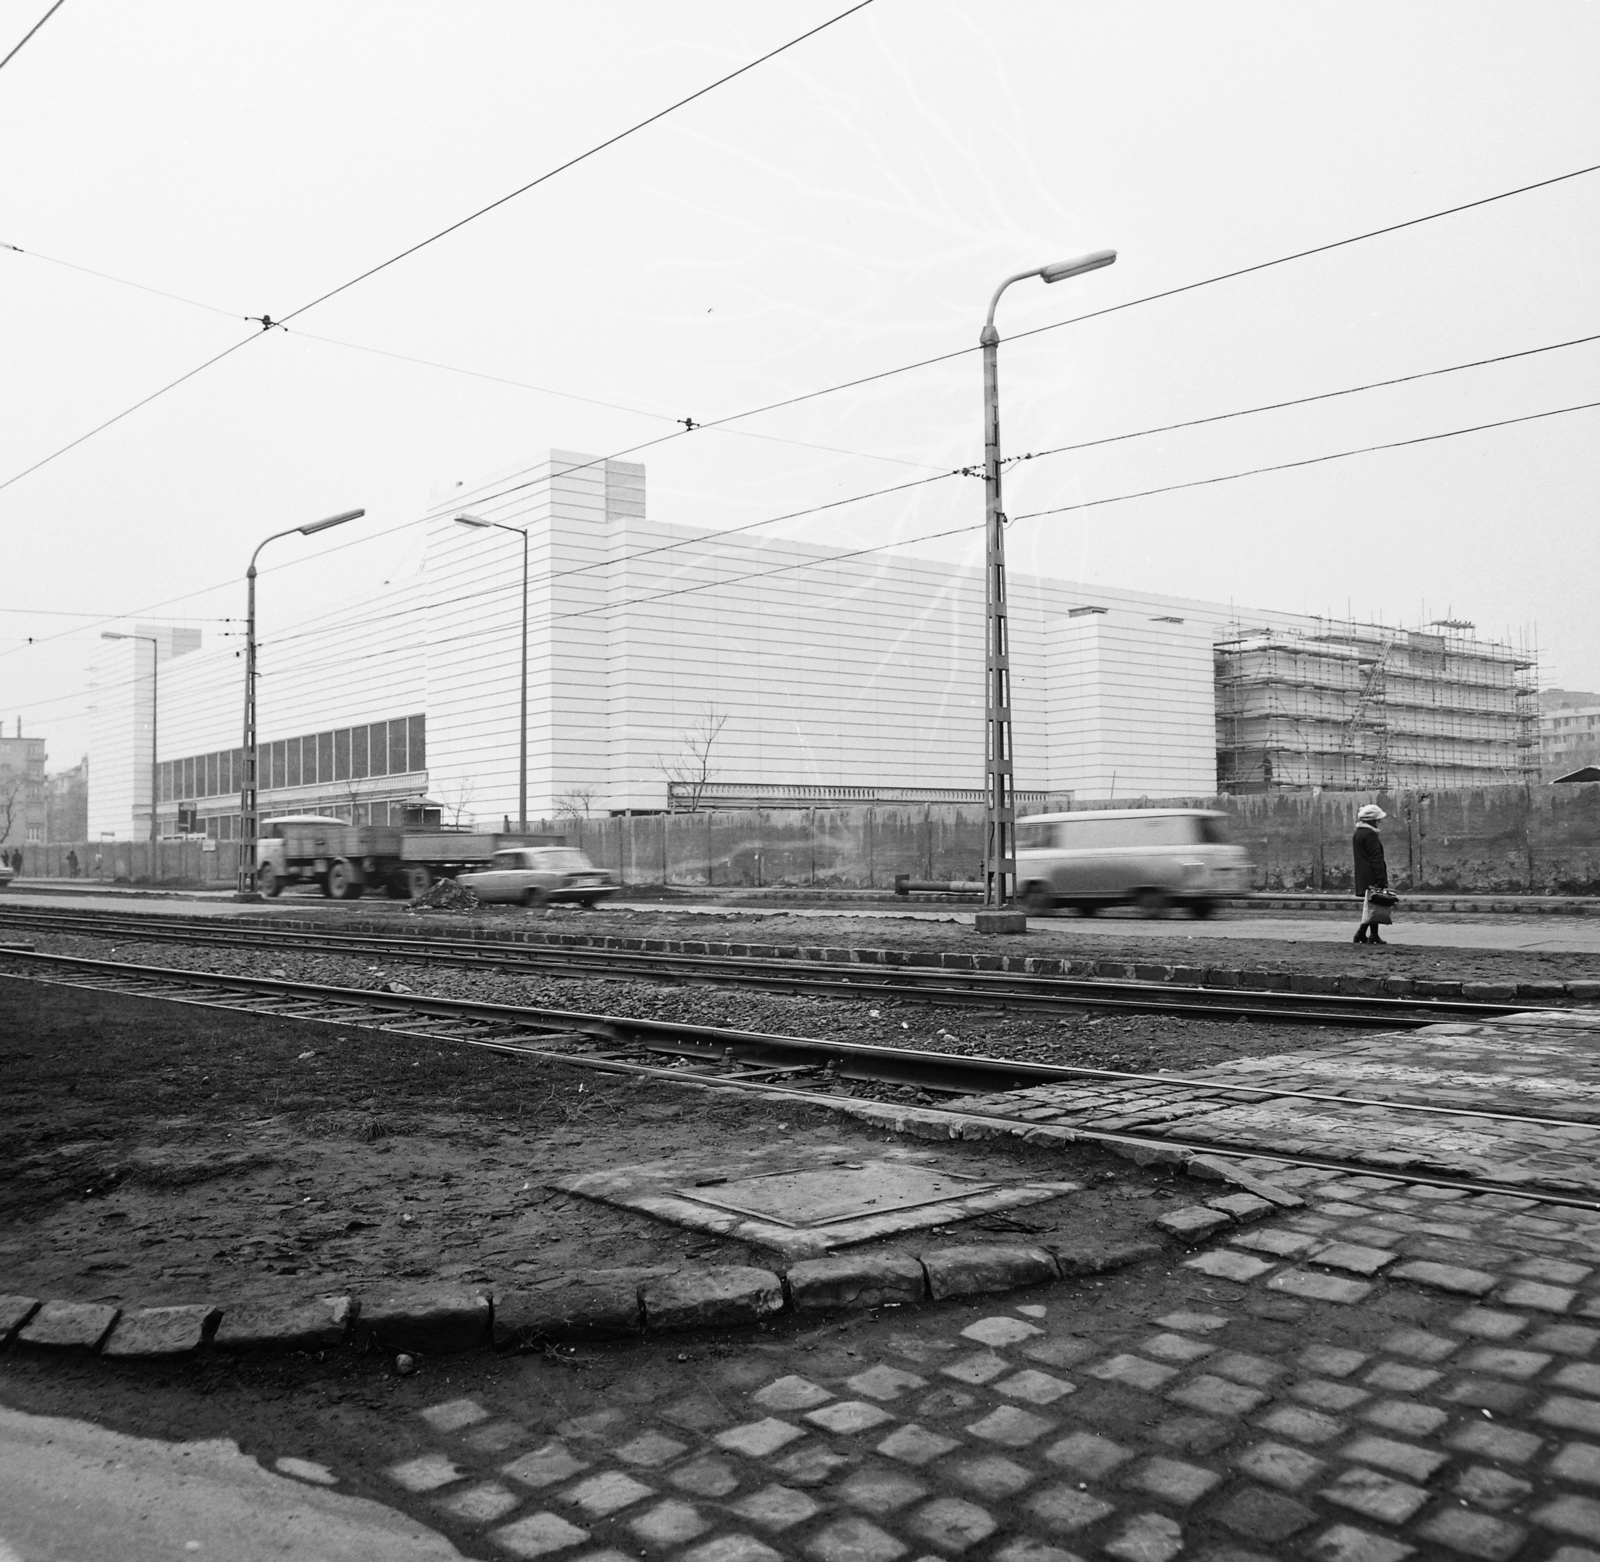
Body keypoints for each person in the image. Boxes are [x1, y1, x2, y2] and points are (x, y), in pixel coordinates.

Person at [1352, 803, 1389, 944]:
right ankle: (1361, 933)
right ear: (1372, 820)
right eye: (1377, 819)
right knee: (1372, 906)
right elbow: (1376, 857)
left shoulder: (1358, 833)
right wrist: (1381, 877)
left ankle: (1374, 935)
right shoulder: (1370, 834)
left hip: (1363, 875)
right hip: (1372, 874)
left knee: (1373, 903)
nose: (1379, 822)